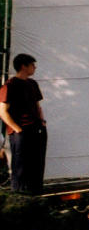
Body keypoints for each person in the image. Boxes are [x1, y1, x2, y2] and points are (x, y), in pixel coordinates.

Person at [0, 54, 47, 194]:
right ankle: (19, 193)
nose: (35, 67)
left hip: (36, 128)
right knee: (20, 164)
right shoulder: (10, 85)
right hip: (20, 130)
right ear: (23, 66)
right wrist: (17, 129)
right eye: (32, 65)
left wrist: (42, 122)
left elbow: (37, 105)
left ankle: (36, 191)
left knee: (37, 161)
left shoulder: (32, 84)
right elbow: (3, 111)